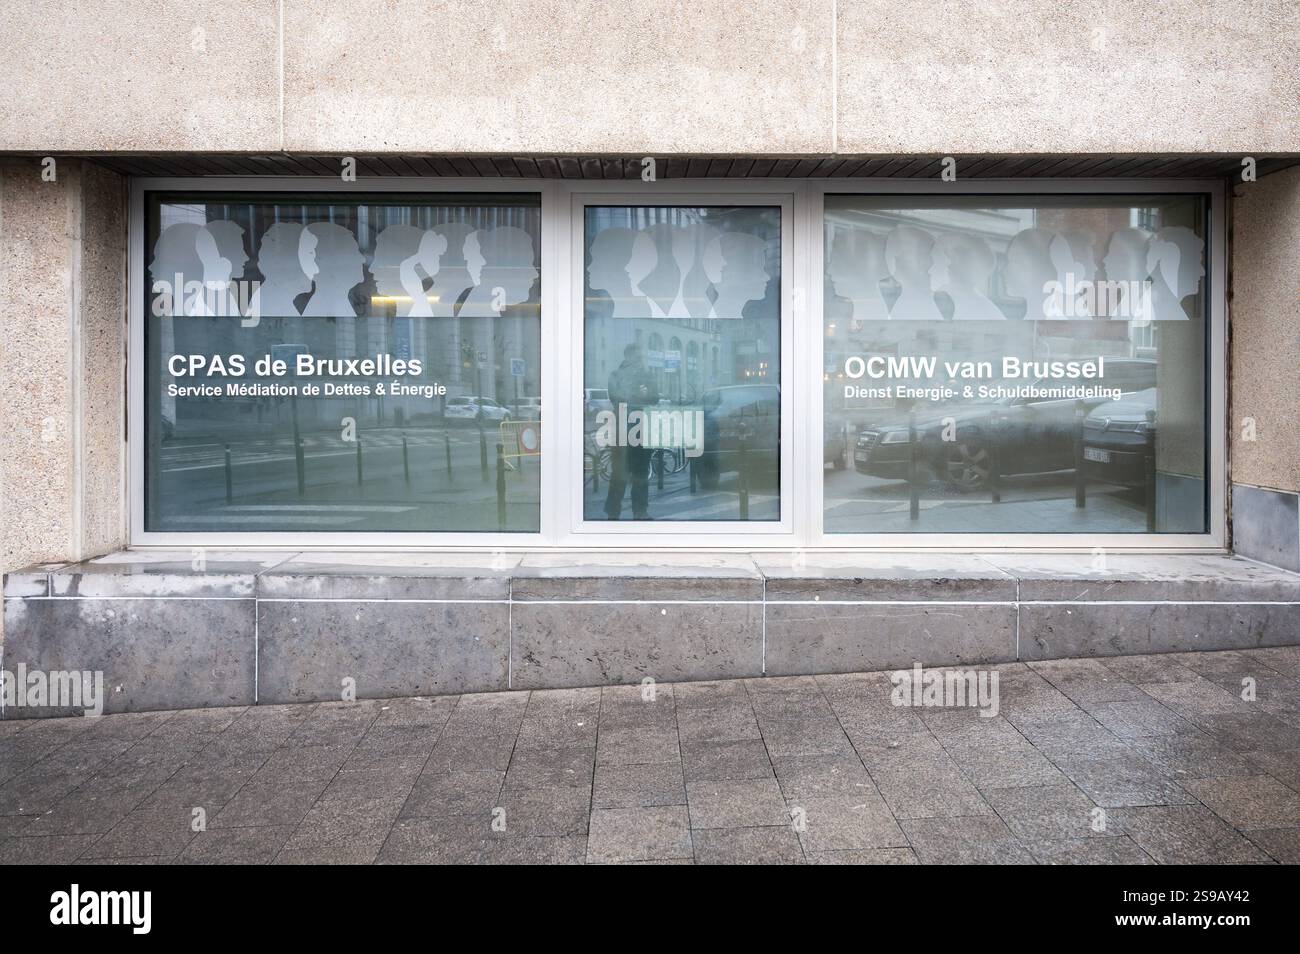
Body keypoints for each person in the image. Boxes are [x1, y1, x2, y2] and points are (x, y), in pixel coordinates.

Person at [605, 343, 659, 520]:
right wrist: (638, 394)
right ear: (627, 357)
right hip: (622, 428)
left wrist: (638, 394)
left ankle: (639, 511)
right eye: (637, 358)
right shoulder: (616, 375)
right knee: (620, 473)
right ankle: (614, 511)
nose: (639, 361)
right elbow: (616, 397)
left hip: (640, 428)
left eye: (640, 358)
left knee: (641, 472)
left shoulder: (646, 376)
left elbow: (655, 397)